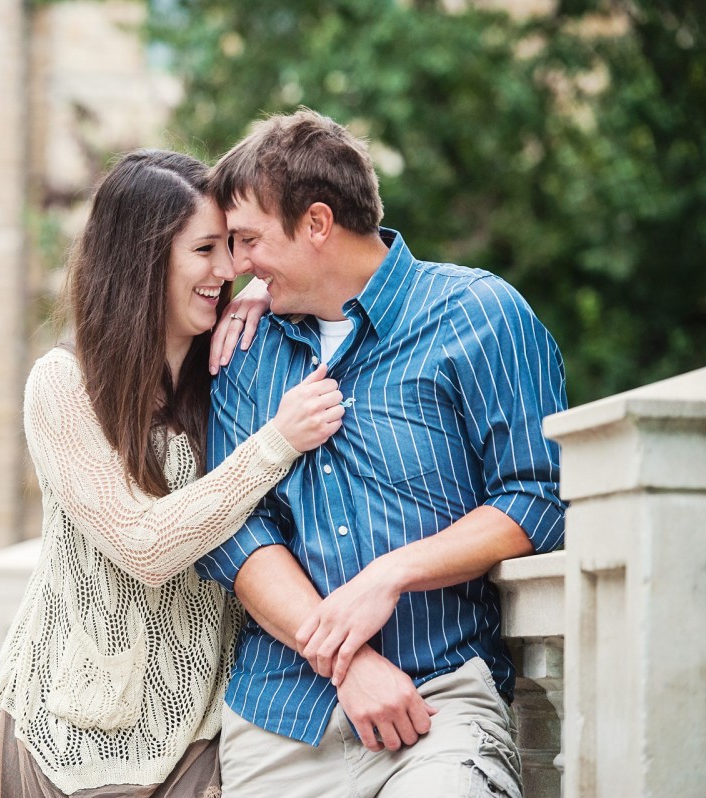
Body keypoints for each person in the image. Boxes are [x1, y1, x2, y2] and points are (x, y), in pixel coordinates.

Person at [196, 109, 567, 798]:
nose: (235, 268)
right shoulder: (243, 353)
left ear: (316, 223)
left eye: (247, 240)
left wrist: (389, 575)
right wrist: (347, 663)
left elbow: (537, 498)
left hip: (439, 703)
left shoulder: (480, 314)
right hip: (282, 719)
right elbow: (236, 532)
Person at [0, 149, 347, 797]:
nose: (226, 269)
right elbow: (144, 546)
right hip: (64, 741)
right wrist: (275, 444)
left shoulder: (232, 374)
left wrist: (271, 287)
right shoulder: (65, 387)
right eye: (205, 250)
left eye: (232, 247)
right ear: (145, 261)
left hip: (198, 737)